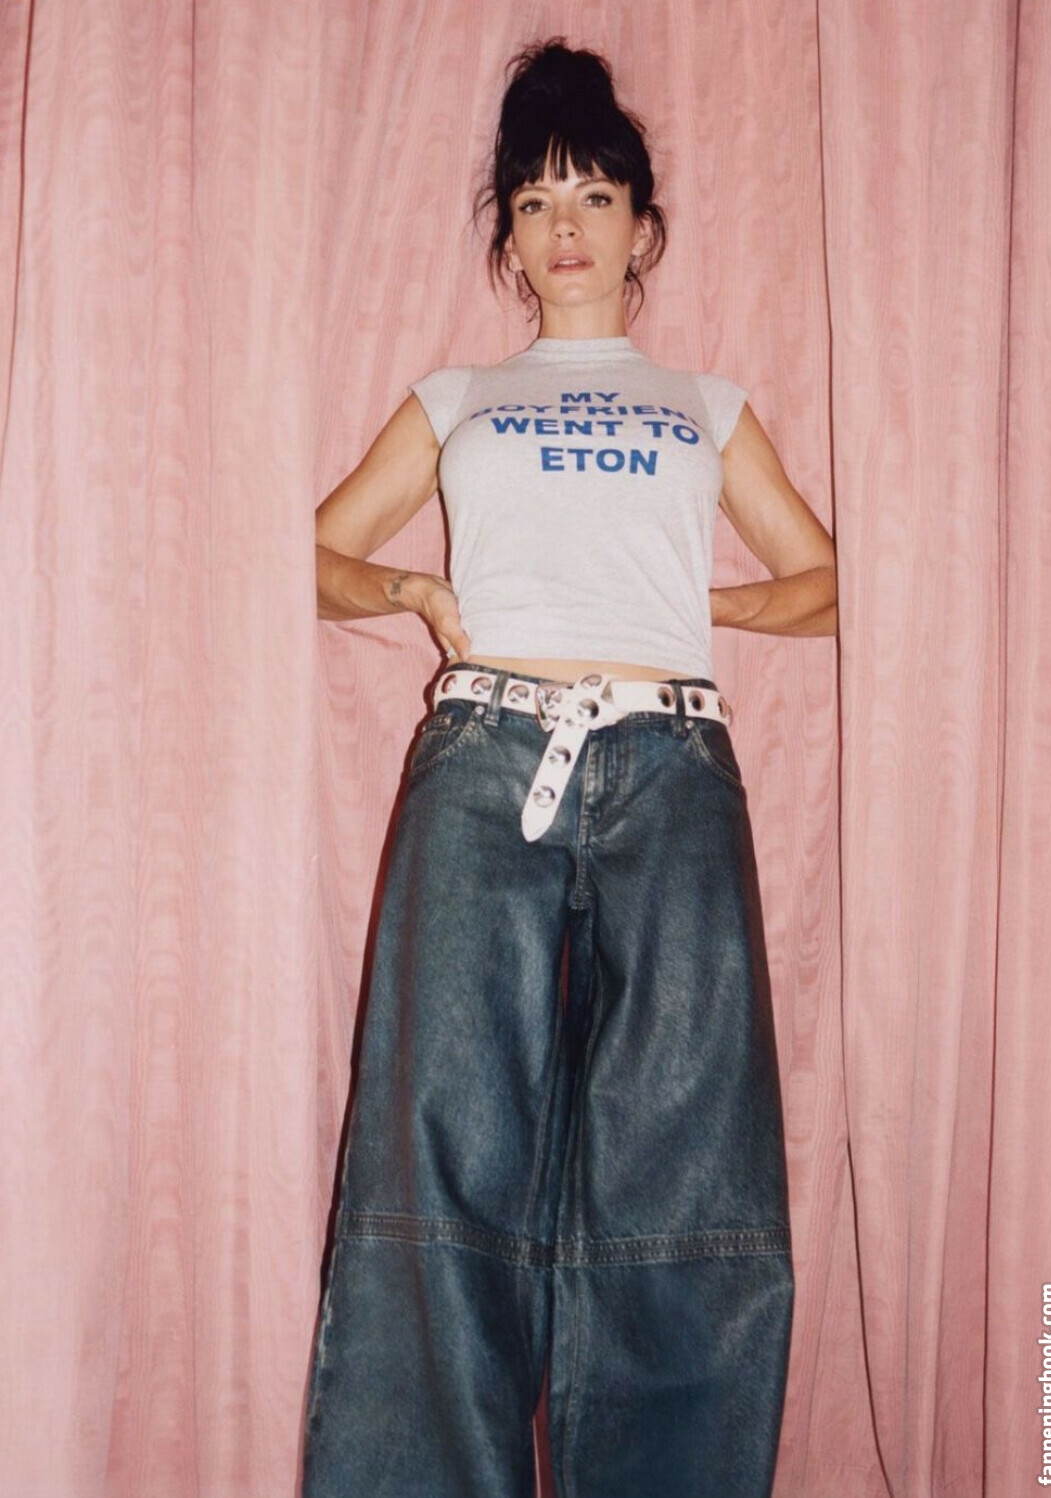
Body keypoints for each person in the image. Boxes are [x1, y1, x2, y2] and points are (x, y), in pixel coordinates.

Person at [303, 35, 836, 1498]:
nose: (565, 226)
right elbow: (309, 553)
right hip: (486, 756)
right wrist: (412, 592)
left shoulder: (707, 404)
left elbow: (830, 582)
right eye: (534, 201)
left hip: (673, 762)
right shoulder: (455, 396)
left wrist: (703, 606)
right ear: (509, 236)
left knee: (687, 1166)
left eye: (594, 195)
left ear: (642, 226)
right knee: (441, 1150)